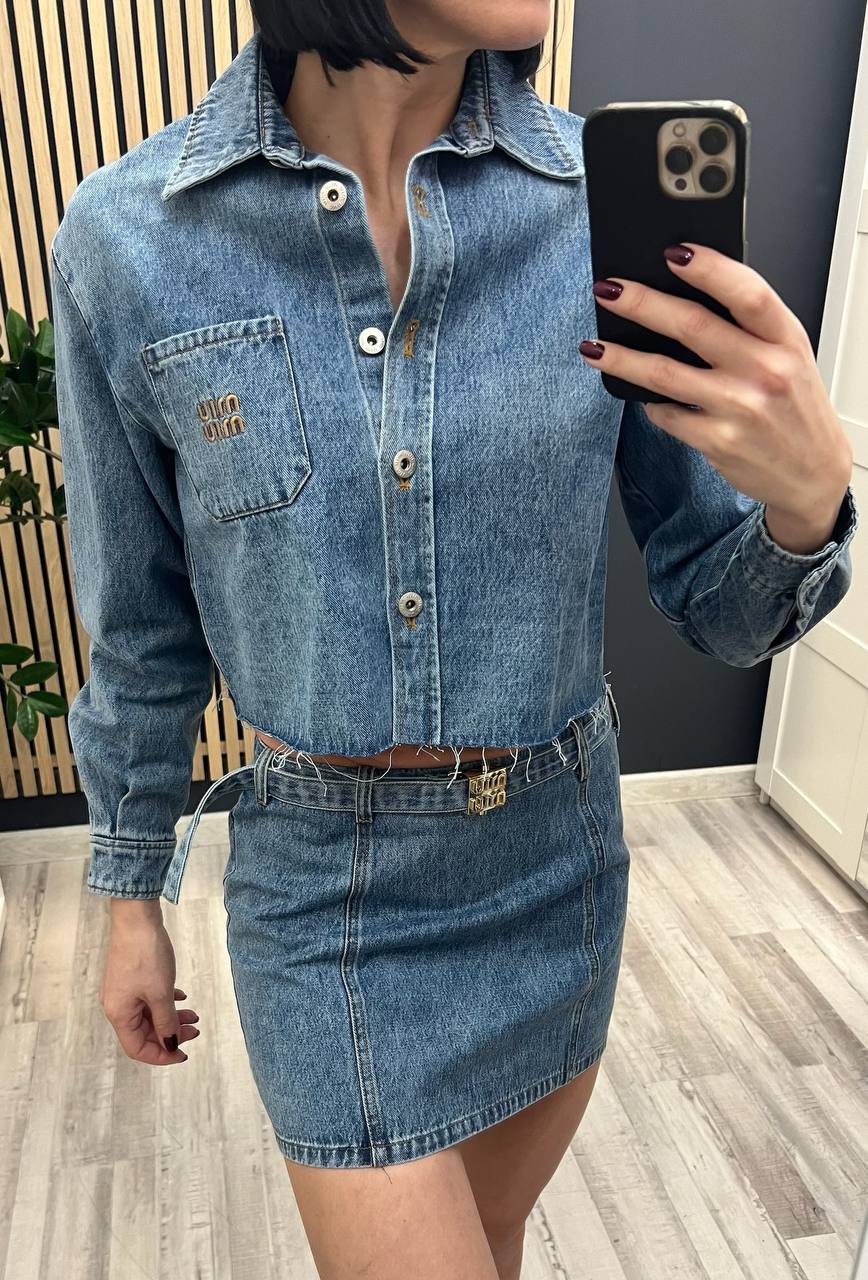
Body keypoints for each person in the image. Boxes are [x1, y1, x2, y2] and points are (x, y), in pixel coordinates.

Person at [49, 1, 857, 1276]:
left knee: (490, 1238)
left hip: (555, 861)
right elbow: (142, 625)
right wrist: (128, 890)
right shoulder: (132, 235)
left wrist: (804, 507)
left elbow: (719, 605)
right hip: (322, 891)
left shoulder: (596, 210)